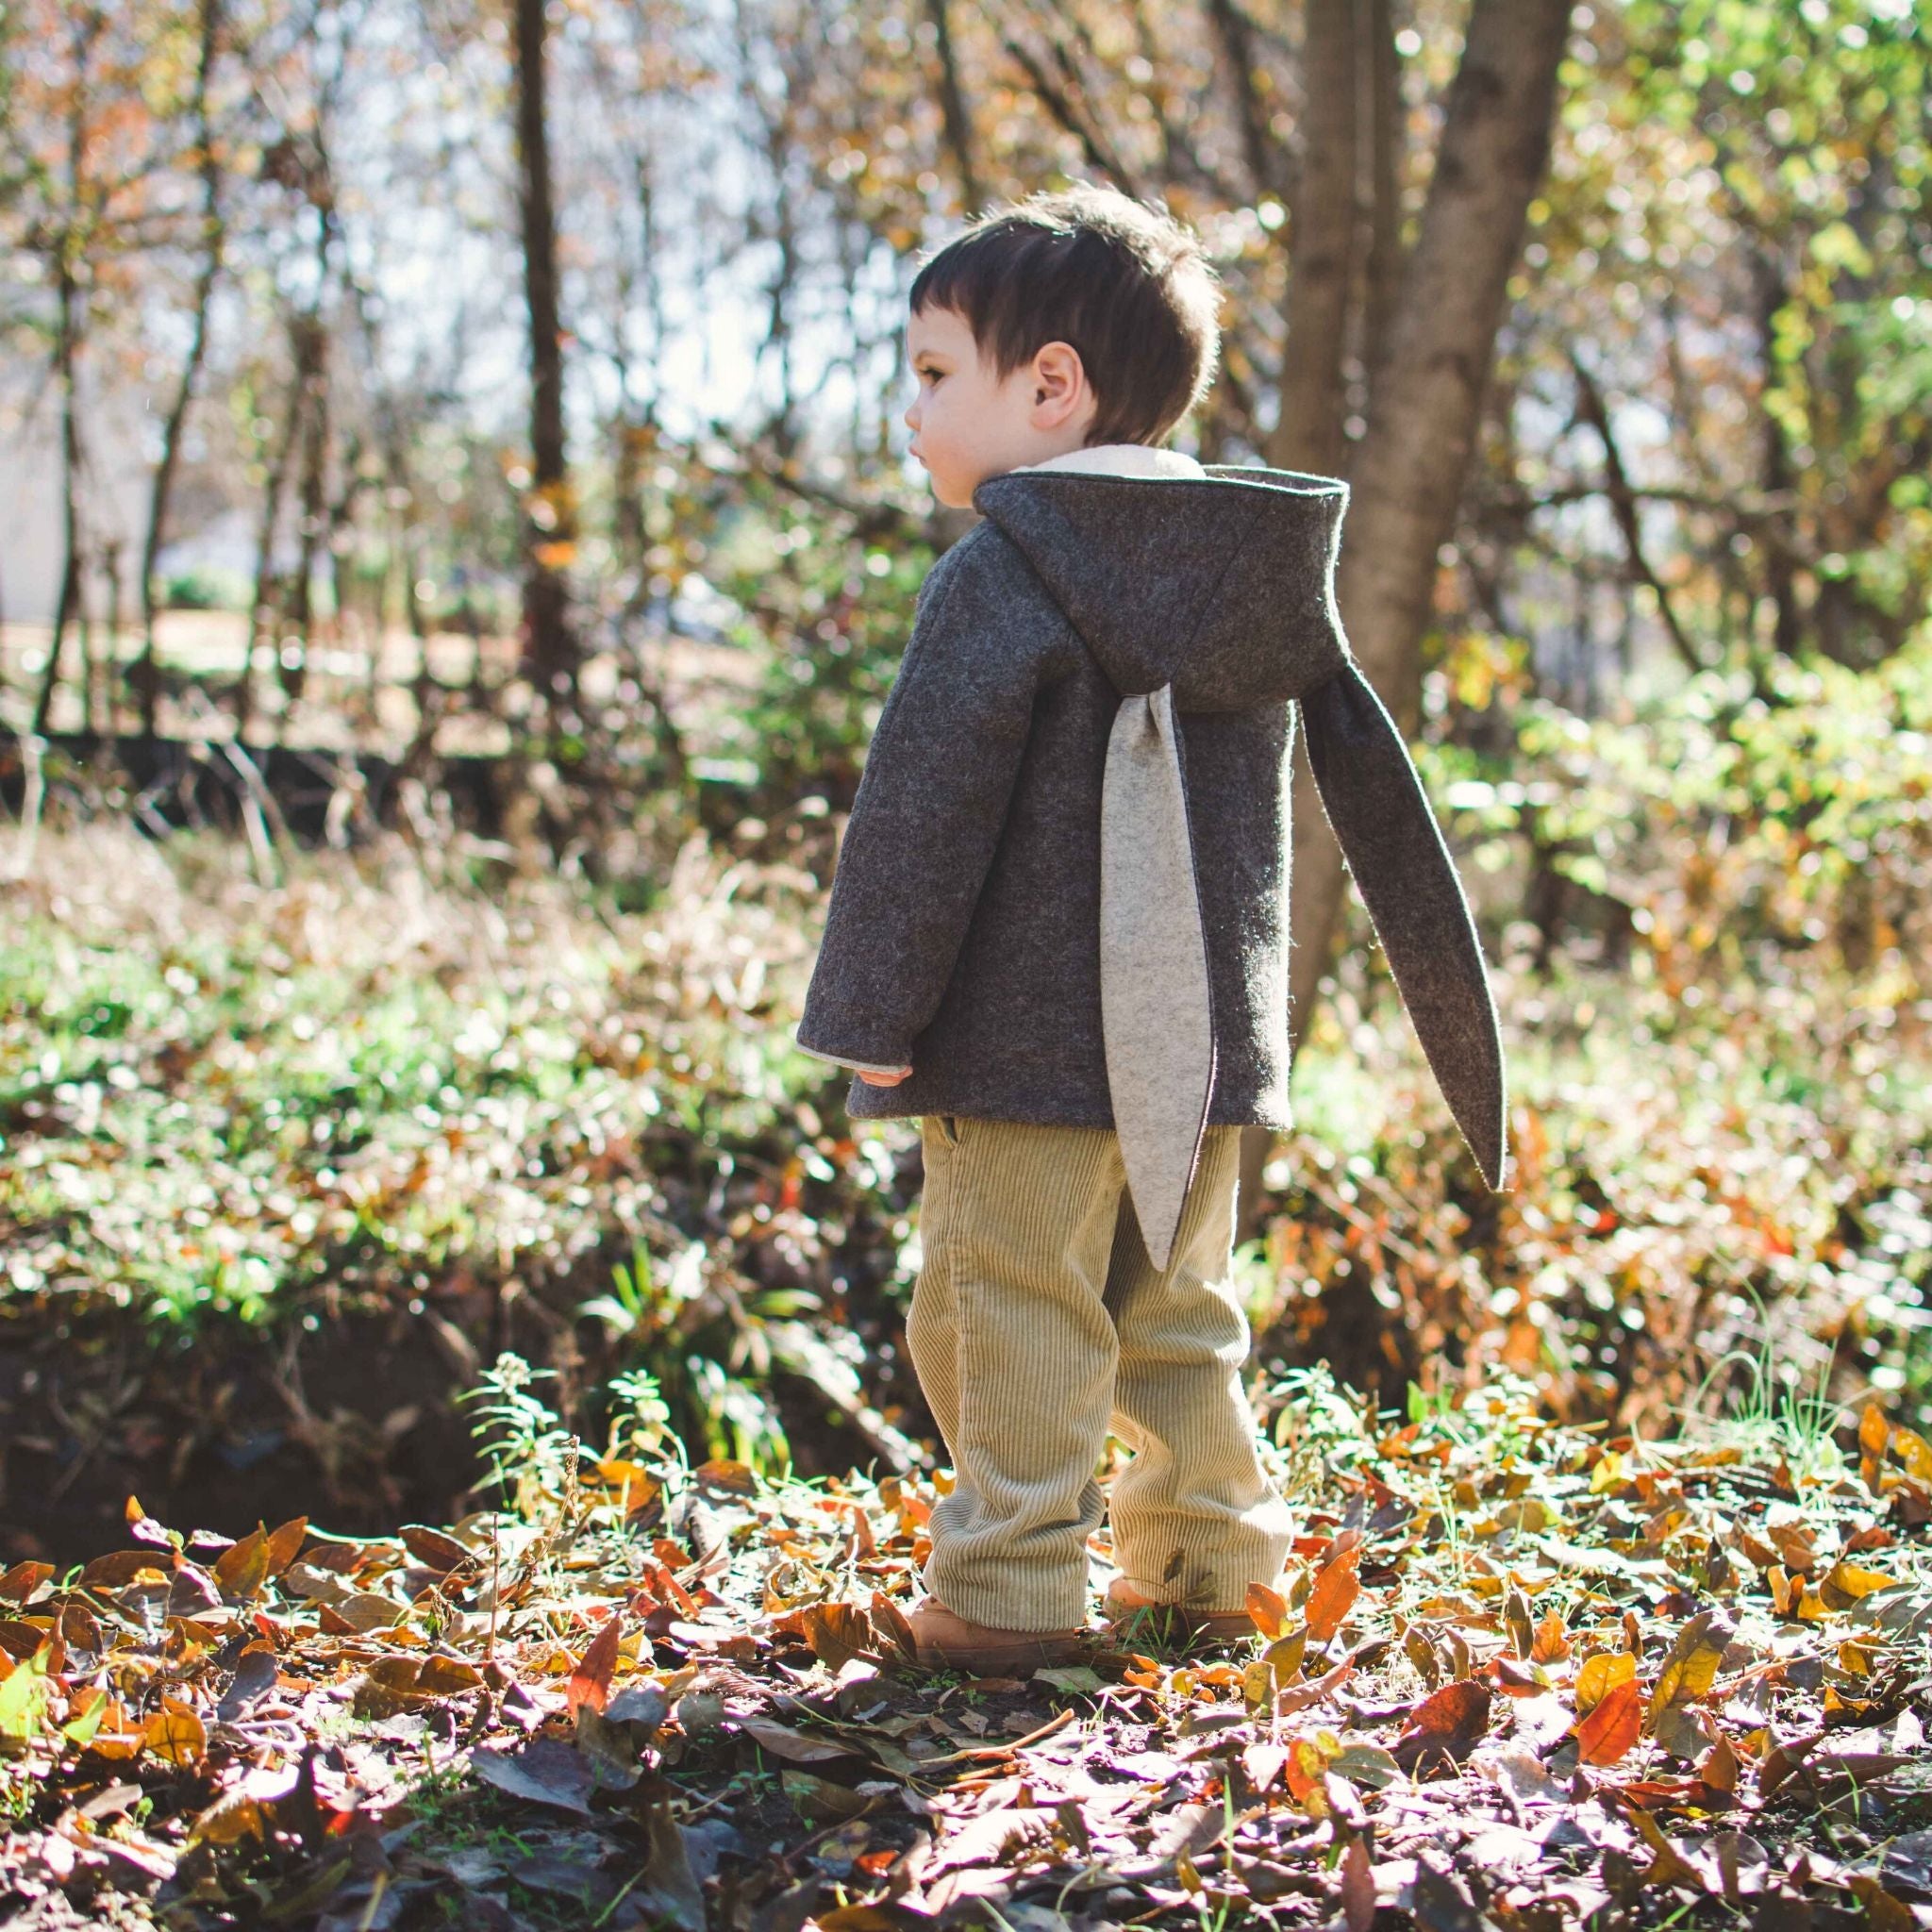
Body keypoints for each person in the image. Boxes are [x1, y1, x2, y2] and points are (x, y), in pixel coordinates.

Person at [794, 182, 1509, 1675]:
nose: (909, 410)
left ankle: (1006, 1593)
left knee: (1005, 1307)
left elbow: (923, 820)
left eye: (934, 374)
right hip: (1205, 1046)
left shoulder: (1004, 567)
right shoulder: (1244, 579)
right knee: (1175, 1312)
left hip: (1022, 1052)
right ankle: (1210, 1570)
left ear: (1049, 386)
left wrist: (869, 1014)